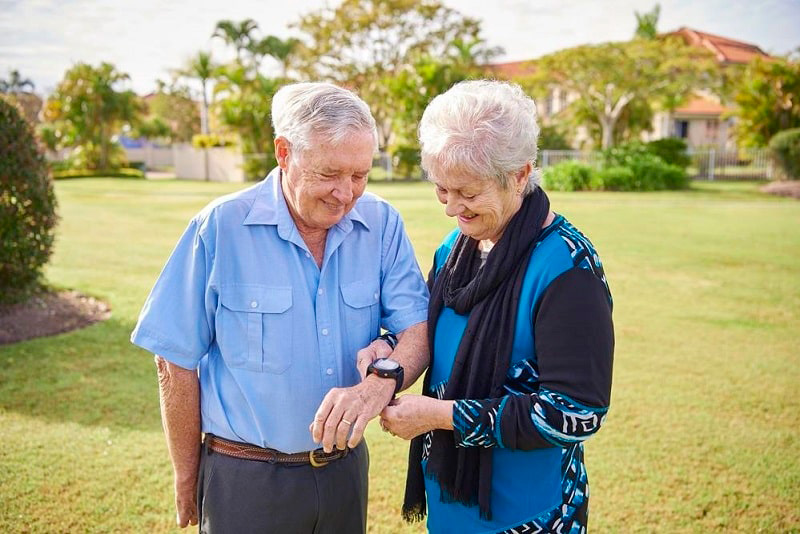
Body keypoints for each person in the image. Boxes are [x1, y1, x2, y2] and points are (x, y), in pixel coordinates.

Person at [130, 82, 429, 533]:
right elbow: (173, 362)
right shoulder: (220, 226)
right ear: (284, 153)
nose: (345, 194)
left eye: (360, 176)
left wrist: (375, 387)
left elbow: (417, 330)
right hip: (245, 479)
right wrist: (188, 473)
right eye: (330, 173)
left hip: (345, 472)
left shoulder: (382, 223)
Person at [380, 80, 614, 533]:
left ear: (521, 174)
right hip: (453, 503)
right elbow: (430, 330)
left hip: (531, 512)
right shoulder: (456, 247)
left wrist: (440, 416)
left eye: (468, 193)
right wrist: (385, 350)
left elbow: (576, 412)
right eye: (442, 190)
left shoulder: (566, 268)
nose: (452, 208)